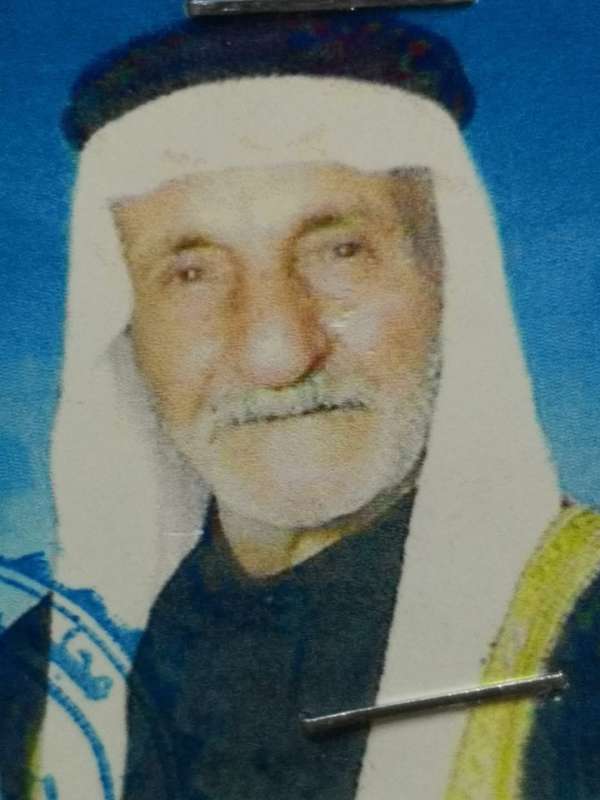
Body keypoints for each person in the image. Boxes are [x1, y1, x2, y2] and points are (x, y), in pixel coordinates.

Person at [1, 12, 599, 800]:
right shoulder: (35, 688)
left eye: (340, 251)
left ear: (451, 283)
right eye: (191, 273)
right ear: (125, 331)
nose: (277, 354)